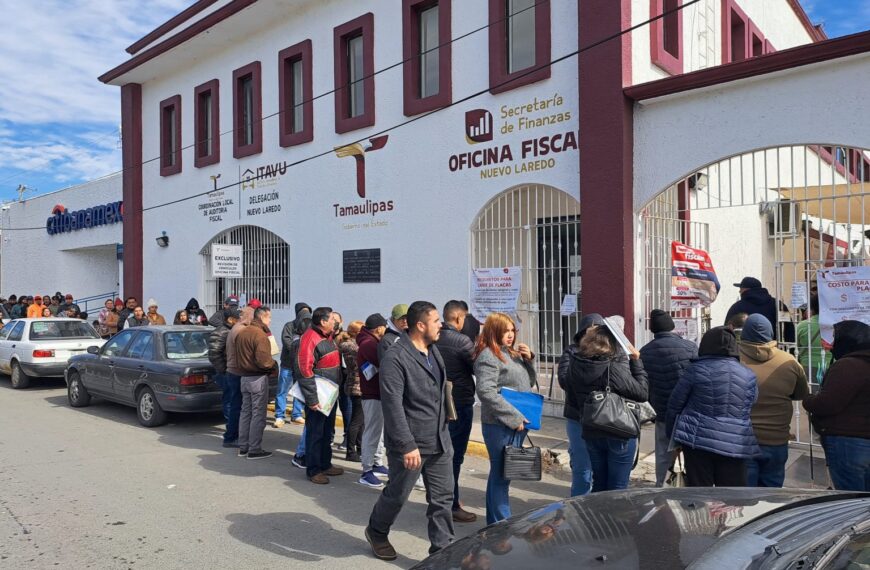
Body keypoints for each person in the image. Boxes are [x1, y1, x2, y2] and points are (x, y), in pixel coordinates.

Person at [365, 301, 454, 560]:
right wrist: (406, 444)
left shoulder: (433, 350)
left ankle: (442, 553)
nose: (441, 325)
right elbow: (392, 405)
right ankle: (377, 531)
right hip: (411, 443)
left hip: (440, 439)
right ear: (420, 325)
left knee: (442, 499)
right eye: (436, 321)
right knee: (397, 495)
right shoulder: (396, 357)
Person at [667, 327, 760, 487]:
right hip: (736, 442)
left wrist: (673, 438)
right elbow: (752, 401)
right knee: (732, 499)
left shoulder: (695, 370)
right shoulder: (748, 374)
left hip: (697, 441)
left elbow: (675, 405)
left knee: (700, 497)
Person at [567, 322, 648, 493]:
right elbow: (641, 393)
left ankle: (596, 519)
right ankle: (613, 520)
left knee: (599, 483)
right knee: (617, 488)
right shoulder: (612, 367)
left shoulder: (575, 364)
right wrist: (636, 362)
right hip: (618, 430)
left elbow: (572, 398)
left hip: (591, 429)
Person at [474, 311, 537, 524]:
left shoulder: (510, 353)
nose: (510, 335)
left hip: (518, 423)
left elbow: (528, 381)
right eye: (505, 331)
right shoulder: (488, 356)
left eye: (512, 330)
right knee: (501, 475)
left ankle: (496, 522)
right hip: (500, 424)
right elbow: (486, 392)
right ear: (494, 331)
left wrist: (529, 360)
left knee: (503, 475)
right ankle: (501, 523)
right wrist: (513, 417)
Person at [738, 314, 808, 487]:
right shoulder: (789, 362)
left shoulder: (733, 360)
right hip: (777, 439)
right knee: (772, 496)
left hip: (743, 440)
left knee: (744, 499)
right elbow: (801, 394)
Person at [802, 320, 870, 491]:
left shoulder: (848, 366)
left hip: (848, 442)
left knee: (849, 502)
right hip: (859, 439)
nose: (832, 345)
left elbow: (828, 403)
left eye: (835, 339)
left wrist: (808, 399)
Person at [639, 309, 698, 487]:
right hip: (688, 411)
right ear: (672, 326)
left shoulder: (645, 352)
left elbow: (644, 384)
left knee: (663, 454)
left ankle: (661, 487)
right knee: (691, 453)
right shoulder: (690, 348)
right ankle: (692, 488)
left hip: (662, 411)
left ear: (652, 330)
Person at [435, 300, 478, 523]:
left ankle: (442, 500)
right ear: (459, 318)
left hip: (437, 403)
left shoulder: (433, 337)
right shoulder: (463, 341)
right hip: (459, 402)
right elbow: (478, 368)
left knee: (441, 454)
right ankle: (451, 504)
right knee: (455, 456)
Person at [557, 314, 602, 496]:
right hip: (578, 417)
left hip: (602, 418)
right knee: (582, 468)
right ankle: (578, 508)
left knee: (599, 468)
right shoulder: (572, 352)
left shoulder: (609, 352)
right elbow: (564, 380)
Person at [297, 307, 343, 484]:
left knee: (327, 431)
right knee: (315, 432)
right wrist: (312, 399)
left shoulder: (327, 336)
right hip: (319, 394)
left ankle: (325, 464)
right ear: (323, 322)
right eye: (332, 319)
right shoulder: (310, 338)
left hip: (330, 392)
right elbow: (304, 370)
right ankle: (313, 469)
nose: (335, 321)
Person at [234, 306, 279, 459]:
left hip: (244, 377)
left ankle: (243, 447)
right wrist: (273, 365)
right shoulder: (259, 335)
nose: (271, 320)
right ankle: (254, 449)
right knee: (258, 414)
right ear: (263, 317)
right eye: (269, 317)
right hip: (257, 377)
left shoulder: (242, 332)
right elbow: (264, 361)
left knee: (246, 412)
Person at [357, 313, 391, 488]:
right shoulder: (369, 344)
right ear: (379, 328)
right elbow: (384, 362)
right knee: (372, 432)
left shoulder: (370, 341)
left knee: (378, 432)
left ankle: (377, 463)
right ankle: (367, 470)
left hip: (377, 393)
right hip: (372, 394)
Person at [208, 307, 242, 448]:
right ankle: (230, 435)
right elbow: (214, 355)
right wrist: (225, 370)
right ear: (230, 319)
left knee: (233, 402)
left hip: (232, 372)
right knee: (230, 402)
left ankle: (233, 431)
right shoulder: (221, 332)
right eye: (238, 318)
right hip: (227, 373)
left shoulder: (232, 331)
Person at [275, 305, 310, 429]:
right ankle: (279, 416)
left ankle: (296, 414)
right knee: (282, 390)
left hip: (301, 365)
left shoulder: (310, 327)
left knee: (299, 390)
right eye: (303, 312)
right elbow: (287, 342)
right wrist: (300, 352)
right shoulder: (289, 326)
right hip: (288, 364)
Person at [225, 307, 254, 449]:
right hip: (237, 372)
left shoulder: (236, 328)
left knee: (237, 405)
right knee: (237, 406)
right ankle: (231, 437)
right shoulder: (241, 330)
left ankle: (233, 435)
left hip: (233, 371)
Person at [338, 321, 364, 462]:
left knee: (359, 420)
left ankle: (358, 449)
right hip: (358, 385)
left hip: (352, 384)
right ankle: (351, 451)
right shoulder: (355, 348)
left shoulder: (346, 346)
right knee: (357, 420)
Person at [796, 294, 832, 384]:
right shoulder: (835, 325)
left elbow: (795, 346)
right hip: (830, 366)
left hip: (807, 366)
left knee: (810, 392)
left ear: (811, 308)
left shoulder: (802, 325)